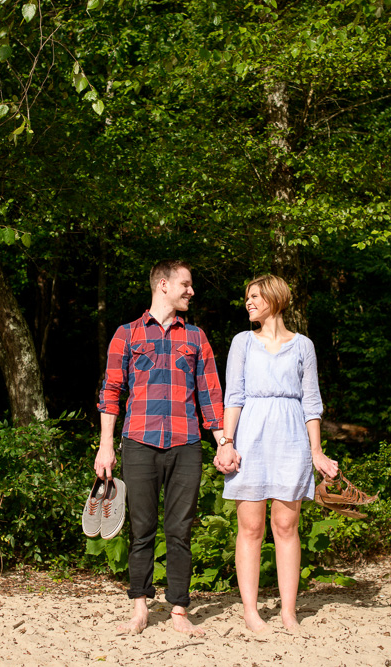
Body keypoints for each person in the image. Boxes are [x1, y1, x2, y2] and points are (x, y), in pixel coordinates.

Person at [95, 260, 225, 636]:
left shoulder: (196, 337)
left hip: (186, 444)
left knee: (180, 529)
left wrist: (223, 443)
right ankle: (140, 607)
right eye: (186, 284)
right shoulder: (127, 334)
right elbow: (111, 393)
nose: (191, 291)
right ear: (164, 285)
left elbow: (210, 395)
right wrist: (106, 446)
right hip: (138, 442)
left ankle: (179, 610)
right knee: (141, 528)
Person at [213, 274, 339, 634]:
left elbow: (311, 402)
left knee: (286, 526)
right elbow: (233, 396)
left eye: (255, 296)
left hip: (290, 438)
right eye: (247, 296)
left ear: (275, 299)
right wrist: (227, 442)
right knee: (250, 527)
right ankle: (251, 611)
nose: (248, 302)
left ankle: (288, 612)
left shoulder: (303, 346)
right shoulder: (242, 342)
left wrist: (316, 451)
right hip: (250, 435)